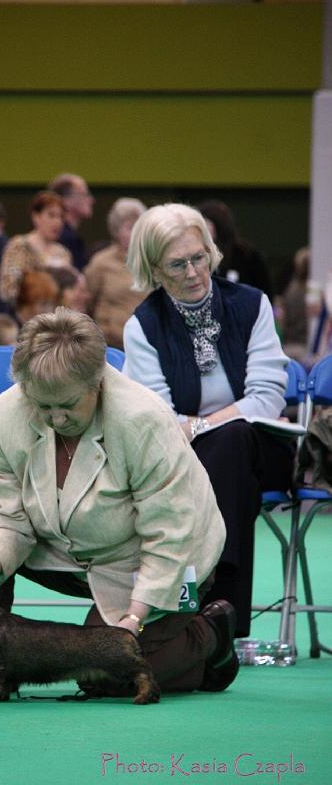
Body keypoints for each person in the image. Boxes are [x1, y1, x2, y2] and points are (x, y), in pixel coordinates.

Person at [0, 307, 238, 697]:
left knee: (102, 677)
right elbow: (7, 515)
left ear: (97, 382)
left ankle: (210, 633)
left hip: (152, 560)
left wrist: (134, 617)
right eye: (42, 405)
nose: (54, 418)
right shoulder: (5, 412)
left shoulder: (142, 419)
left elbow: (171, 535)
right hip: (66, 546)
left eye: (66, 404)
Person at [123, 203, 294, 637]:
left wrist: (200, 424)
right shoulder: (143, 325)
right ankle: (221, 614)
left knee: (233, 440)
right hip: (181, 457)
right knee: (225, 453)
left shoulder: (251, 305)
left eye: (199, 257)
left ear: (211, 252)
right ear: (155, 269)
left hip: (261, 446)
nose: (194, 272)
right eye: (178, 264)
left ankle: (207, 605)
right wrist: (197, 428)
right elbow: (157, 415)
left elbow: (268, 398)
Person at [84, 197, 148, 349]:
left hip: (146, 343)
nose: (136, 233)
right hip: (109, 345)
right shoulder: (100, 262)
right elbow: (87, 302)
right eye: (130, 227)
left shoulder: (153, 261)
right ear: (116, 230)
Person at [0, 190, 71, 308]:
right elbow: (7, 289)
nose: (57, 222)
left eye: (61, 217)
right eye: (51, 215)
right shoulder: (19, 246)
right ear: (36, 217)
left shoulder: (63, 253)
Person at [198, 200, 273, 299]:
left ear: (218, 224)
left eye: (204, 223)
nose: (200, 229)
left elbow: (266, 292)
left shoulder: (247, 255)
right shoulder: (197, 256)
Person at [48, 173, 95, 270]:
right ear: (66, 201)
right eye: (85, 194)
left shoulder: (69, 237)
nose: (92, 200)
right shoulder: (65, 239)